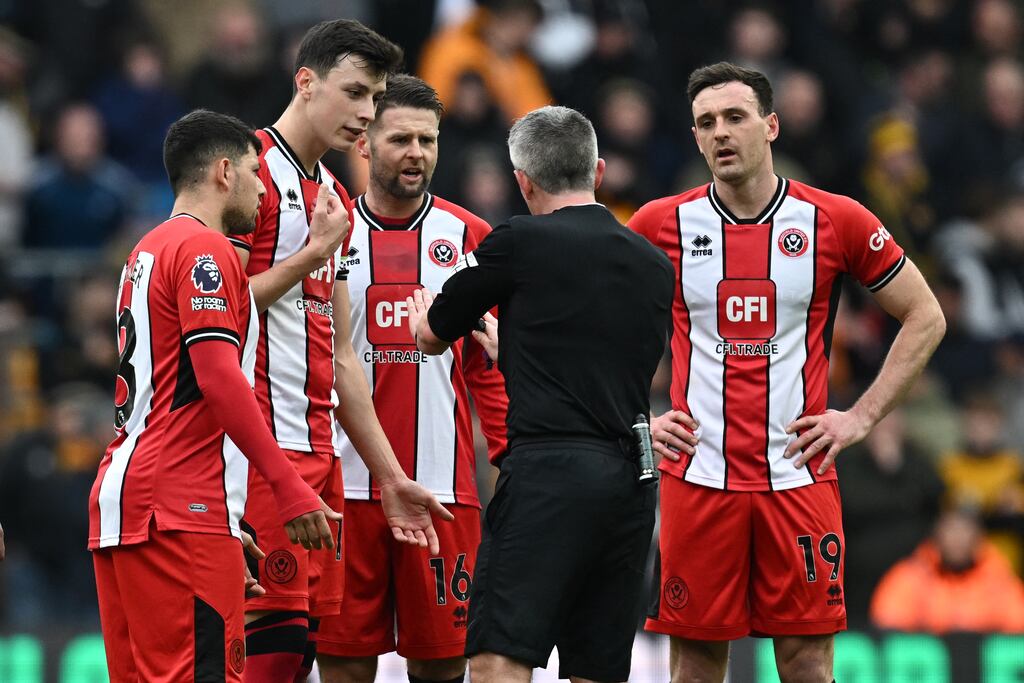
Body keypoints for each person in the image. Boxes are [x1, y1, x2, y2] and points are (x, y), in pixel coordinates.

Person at [628, 62, 946, 683]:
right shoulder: (658, 224)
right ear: (694, 138)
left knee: (805, 664)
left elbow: (925, 315)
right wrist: (639, 421)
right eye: (705, 123)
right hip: (698, 479)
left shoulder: (836, 219)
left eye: (735, 118)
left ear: (770, 126)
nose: (720, 133)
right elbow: (592, 331)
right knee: (694, 665)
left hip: (798, 479)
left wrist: (862, 416)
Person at [411, 105, 675, 683]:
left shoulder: (518, 240)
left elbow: (435, 333)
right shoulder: (655, 265)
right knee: (596, 666)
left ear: (523, 181)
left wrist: (420, 323)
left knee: (499, 654)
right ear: (598, 171)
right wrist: (523, 354)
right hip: (632, 477)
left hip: (549, 472)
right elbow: (599, 359)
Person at [227, 20, 452, 682]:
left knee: (301, 657)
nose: (364, 112)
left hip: (320, 453)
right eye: (356, 92)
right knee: (271, 647)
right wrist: (315, 253)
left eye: (372, 98)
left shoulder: (330, 196)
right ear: (306, 81)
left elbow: (343, 357)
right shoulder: (249, 172)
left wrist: (387, 477)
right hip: (258, 454)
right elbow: (217, 314)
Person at [87, 109, 339, 682]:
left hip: (124, 508)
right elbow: (219, 378)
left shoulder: (144, 251)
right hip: (179, 510)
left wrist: (232, 519)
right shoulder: (209, 250)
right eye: (255, 172)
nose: (261, 187)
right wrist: (286, 484)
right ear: (225, 172)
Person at [316, 74, 508, 683]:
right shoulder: (326, 235)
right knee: (345, 666)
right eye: (401, 138)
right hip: (342, 492)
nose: (417, 153)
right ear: (364, 144)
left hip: (443, 494)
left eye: (428, 139)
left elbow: (489, 372)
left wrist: (511, 464)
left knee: (443, 665)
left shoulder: (470, 237)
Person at [870, 507, 1024, 634]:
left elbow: (1018, 625)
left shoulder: (998, 576)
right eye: (951, 531)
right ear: (936, 536)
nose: (957, 539)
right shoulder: (909, 576)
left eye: (964, 531)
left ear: (979, 538)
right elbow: (888, 627)